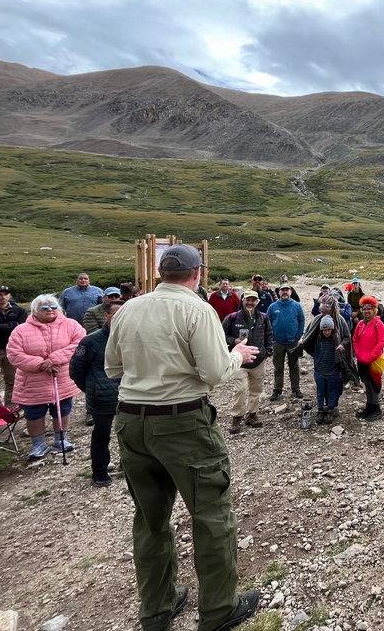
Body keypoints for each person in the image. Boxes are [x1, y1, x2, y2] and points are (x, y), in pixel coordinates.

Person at [104, 243, 261, 631]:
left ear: (161, 272)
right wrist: (237, 354)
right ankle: (220, 609)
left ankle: (157, 609)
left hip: (130, 421)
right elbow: (212, 373)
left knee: (150, 518)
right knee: (211, 514)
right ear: (198, 274)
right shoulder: (197, 308)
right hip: (181, 421)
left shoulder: (129, 309)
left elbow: (112, 367)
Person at [6, 294, 85, 461]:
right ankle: (38, 444)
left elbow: (79, 343)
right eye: (44, 307)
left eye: (53, 307)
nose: (50, 309)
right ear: (35, 311)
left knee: (63, 409)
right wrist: (41, 363)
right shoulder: (21, 330)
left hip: (61, 376)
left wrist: (55, 359)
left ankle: (61, 439)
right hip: (32, 381)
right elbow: (14, 354)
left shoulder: (71, 325)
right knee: (34, 412)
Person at [69, 301, 122, 487]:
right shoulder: (90, 341)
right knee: (102, 435)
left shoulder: (135, 338)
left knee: (129, 433)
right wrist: (93, 388)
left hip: (130, 396)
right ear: (106, 316)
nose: (120, 317)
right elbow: (76, 370)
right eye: (115, 314)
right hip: (101, 398)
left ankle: (127, 464)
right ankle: (99, 472)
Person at [222, 290, 273, 434]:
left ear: (257, 302)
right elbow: (221, 336)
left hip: (258, 361)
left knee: (256, 390)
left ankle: (252, 414)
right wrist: (234, 341)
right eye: (247, 300)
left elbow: (269, 335)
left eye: (253, 300)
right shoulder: (231, 318)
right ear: (242, 300)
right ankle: (237, 416)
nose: (250, 303)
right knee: (241, 389)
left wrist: (267, 352)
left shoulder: (263, 318)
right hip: (239, 361)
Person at [266, 284, 306, 400]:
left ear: (290, 292)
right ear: (279, 292)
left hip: (293, 342)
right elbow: (267, 322)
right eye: (282, 290)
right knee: (278, 367)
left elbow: (301, 320)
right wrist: (271, 337)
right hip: (278, 342)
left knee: (294, 366)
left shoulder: (297, 305)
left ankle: (296, 389)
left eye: (287, 290)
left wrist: (298, 336)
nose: (284, 292)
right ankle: (277, 389)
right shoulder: (273, 306)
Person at [352, 296, 384, 421]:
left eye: (369, 309)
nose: (367, 311)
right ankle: (369, 406)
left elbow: (381, 343)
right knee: (366, 382)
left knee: (374, 383)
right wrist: (359, 353)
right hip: (362, 359)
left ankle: (376, 408)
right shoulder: (360, 324)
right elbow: (355, 340)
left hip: (374, 360)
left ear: (374, 310)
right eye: (364, 309)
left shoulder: (379, 324)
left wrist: (370, 356)